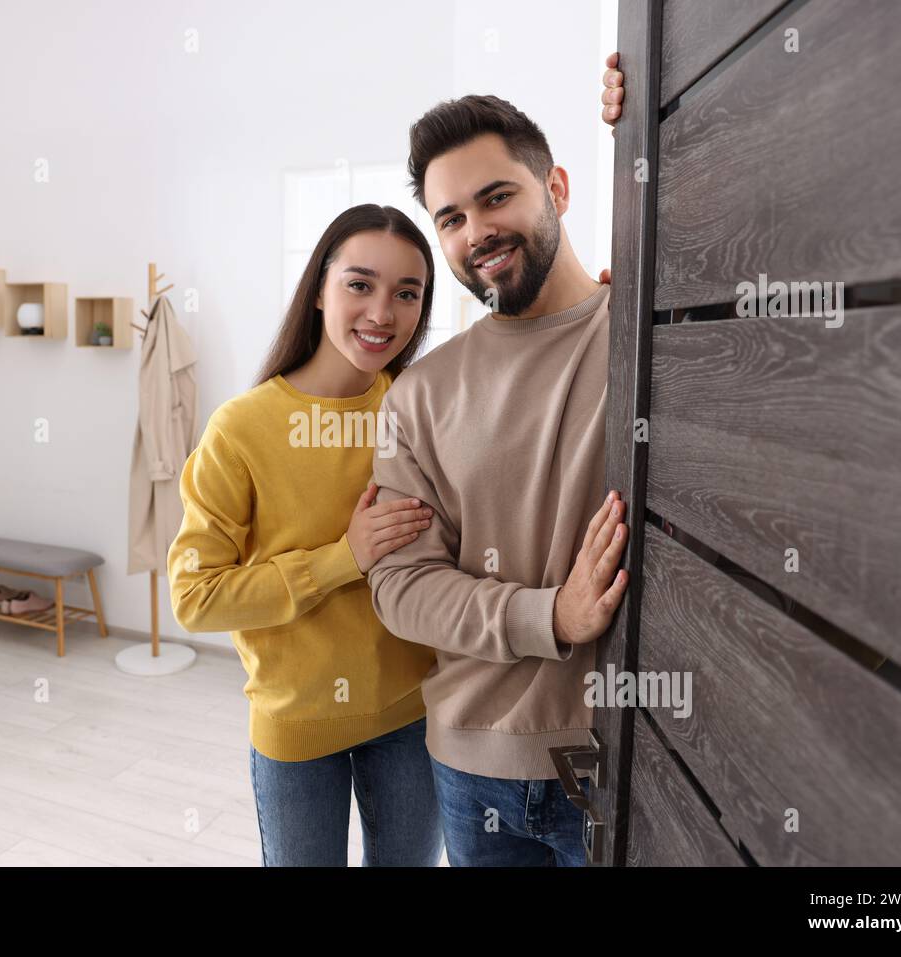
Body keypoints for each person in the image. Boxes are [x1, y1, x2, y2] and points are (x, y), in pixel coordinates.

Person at [365, 81, 631, 866]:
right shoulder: (421, 392)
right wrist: (552, 615)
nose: (476, 232)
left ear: (557, 188)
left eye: (495, 198)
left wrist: (649, 97)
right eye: (450, 218)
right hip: (469, 770)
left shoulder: (650, 334)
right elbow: (401, 587)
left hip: (618, 759)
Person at [167, 204, 444, 866]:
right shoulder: (242, 428)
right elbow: (194, 597)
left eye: (408, 292)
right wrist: (343, 558)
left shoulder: (421, 407)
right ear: (318, 290)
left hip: (414, 716)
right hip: (296, 728)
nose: (383, 312)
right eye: (360, 284)